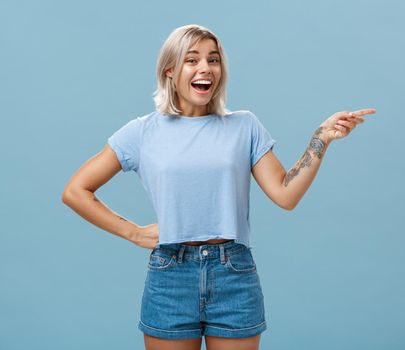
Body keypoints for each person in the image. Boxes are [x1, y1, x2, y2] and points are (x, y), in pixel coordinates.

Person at [61, 24, 376, 350]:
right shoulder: (142, 132)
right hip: (170, 274)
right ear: (170, 70)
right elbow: (76, 191)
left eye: (213, 60)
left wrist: (320, 140)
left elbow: (285, 194)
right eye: (192, 60)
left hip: (233, 274)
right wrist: (133, 232)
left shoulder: (244, 126)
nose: (205, 68)